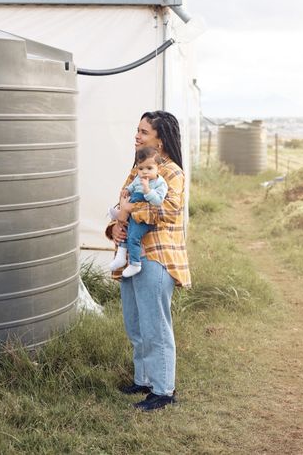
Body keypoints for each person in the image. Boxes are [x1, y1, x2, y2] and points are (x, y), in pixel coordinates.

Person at [106, 110, 191, 411]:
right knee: (136, 324)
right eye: (137, 130)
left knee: (155, 326)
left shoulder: (172, 173)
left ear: (161, 139)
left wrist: (129, 213)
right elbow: (122, 203)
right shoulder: (139, 167)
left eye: (143, 131)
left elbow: (167, 212)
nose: (137, 135)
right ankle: (144, 380)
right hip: (133, 254)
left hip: (155, 257)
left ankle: (164, 390)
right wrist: (117, 223)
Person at [108, 146, 168, 278]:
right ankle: (121, 256)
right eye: (141, 169)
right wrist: (127, 191)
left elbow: (158, 201)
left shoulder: (160, 183)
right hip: (133, 212)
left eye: (149, 168)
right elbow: (132, 186)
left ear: (159, 168)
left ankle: (135, 263)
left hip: (144, 219)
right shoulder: (138, 178)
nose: (144, 172)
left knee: (134, 236)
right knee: (126, 230)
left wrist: (147, 190)